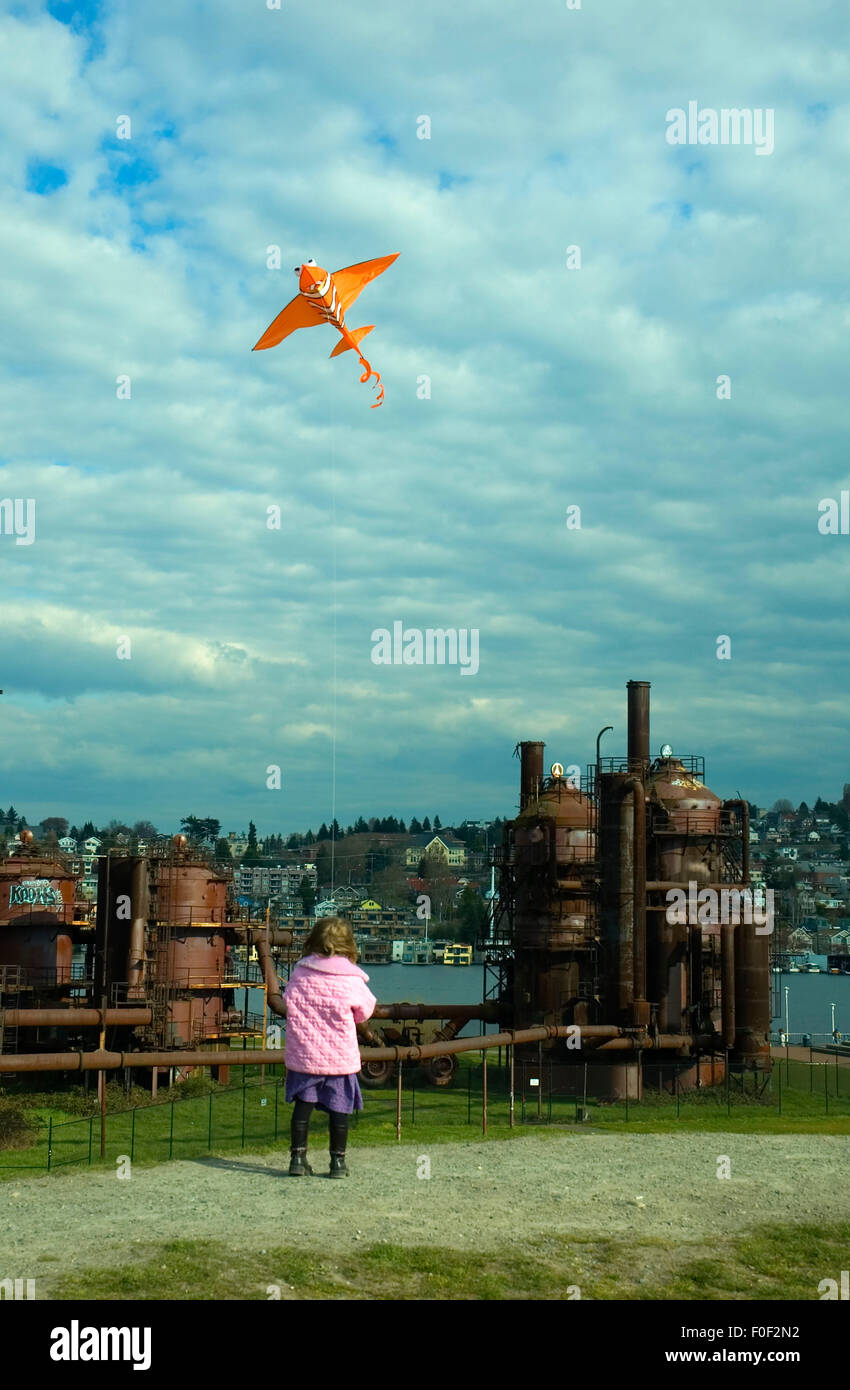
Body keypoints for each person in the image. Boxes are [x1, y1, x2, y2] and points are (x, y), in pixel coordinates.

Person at [283, 916, 377, 1177]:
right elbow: (365, 1011)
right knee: (339, 1109)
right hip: (339, 1057)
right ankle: (337, 1163)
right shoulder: (351, 979)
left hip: (305, 1055)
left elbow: (288, 1000)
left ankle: (298, 1159)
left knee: (303, 1107)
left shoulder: (300, 973)